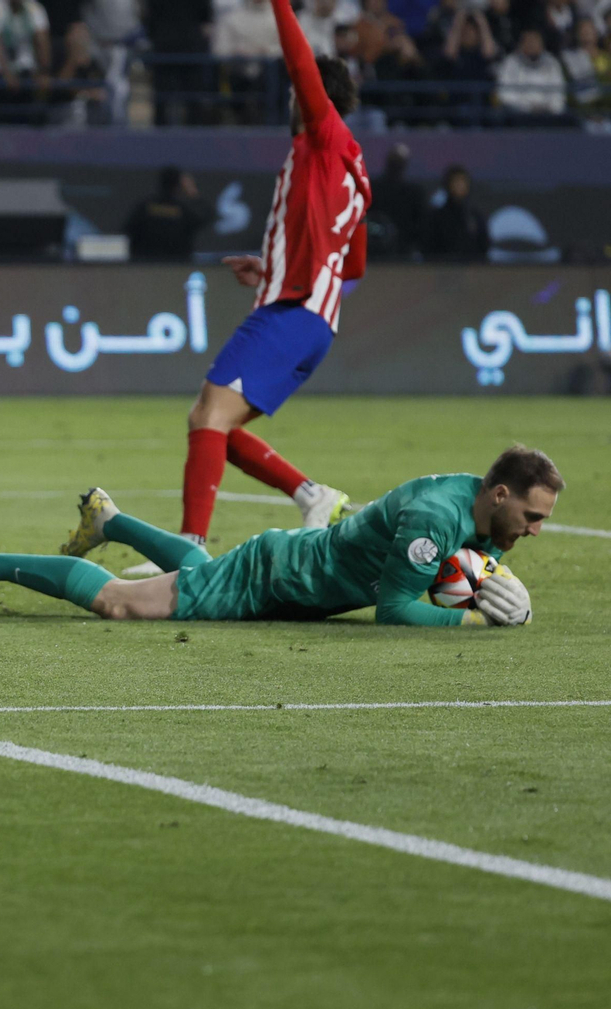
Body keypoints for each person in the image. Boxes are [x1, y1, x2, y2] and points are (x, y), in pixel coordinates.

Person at [155, 0, 368, 579]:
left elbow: (301, 63)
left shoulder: (324, 137)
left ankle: (188, 555)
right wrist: (272, 266)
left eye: (298, 89)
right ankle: (310, 495)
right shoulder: (351, 164)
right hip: (313, 319)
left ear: (309, 96)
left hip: (292, 314)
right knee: (214, 424)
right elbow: (351, 266)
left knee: (205, 417)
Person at [0, 446, 558, 629]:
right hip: (274, 578)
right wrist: (475, 621)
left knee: (198, 568)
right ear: (500, 496)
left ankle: (110, 521)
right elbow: (394, 608)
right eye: (532, 517)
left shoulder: (478, 513)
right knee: (117, 603)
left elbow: (464, 575)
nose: (532, 531)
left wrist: (488, 593)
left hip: (290, 579)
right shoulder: (434, 519)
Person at [124, 165, 210, 261]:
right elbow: (207, 216)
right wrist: (193, 193)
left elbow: (127, 230)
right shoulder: (182, 211)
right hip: (176, 268)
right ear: (179, 185)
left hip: (144, 267)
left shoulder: (145, 207)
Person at [496, 29, 568, 122]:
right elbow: (504, 94)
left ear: (542, 44)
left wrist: (548, 108)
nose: (532, 44)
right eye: (529, 41)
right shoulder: (510, 62)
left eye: (535, 41)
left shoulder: (552, 63)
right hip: (518, 115)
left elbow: (559, 93)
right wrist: (528, 108)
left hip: (547, 115)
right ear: (521, 44)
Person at [365, 143, 424, 259]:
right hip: (375, 249)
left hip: (404, 251)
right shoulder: (374, 188)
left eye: (400, 161)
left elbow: (419, 225)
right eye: (394, 160)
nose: (396, 165)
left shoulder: (414, 193)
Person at [421, 164, 488, 261]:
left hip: (472, 270)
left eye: (463, 181)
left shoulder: (475, 217)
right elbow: (428, 248)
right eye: (456, 181)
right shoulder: (436, 217)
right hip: (440, 269)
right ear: (447, 184)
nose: (459, 185)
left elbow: (484, 246)